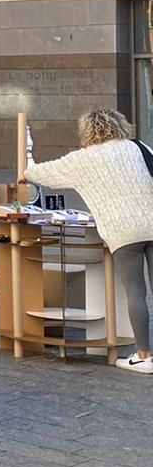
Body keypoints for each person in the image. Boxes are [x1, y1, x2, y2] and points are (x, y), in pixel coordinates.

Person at [24, 109, 153, 373]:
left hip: (122, 231)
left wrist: (26, 164)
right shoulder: (138, 146)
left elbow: (39, 173)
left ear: (86, 131)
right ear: (120, 125)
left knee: (136, 293)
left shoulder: (82, 159)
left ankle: (143, 355)